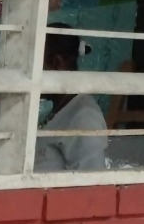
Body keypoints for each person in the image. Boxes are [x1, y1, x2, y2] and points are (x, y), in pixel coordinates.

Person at [36, 25, 108, 172]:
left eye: (35, 65)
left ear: (57, 63)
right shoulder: (58, 111)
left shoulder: (84, 116)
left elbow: (90, 185)